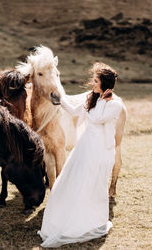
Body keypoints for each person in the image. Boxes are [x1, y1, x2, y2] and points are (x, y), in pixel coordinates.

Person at [37, 62, 123, 248]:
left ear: (104, 84)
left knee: (92, 184)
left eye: (95, 81)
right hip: (84, 147)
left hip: (100, 150)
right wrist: (61, 99)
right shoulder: (92, 98)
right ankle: (67, 217)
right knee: (71, 180)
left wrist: (97, 102)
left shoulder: (115, 104)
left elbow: (97, 119)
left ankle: (90, 221)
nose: (92, 84)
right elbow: (75, 111)